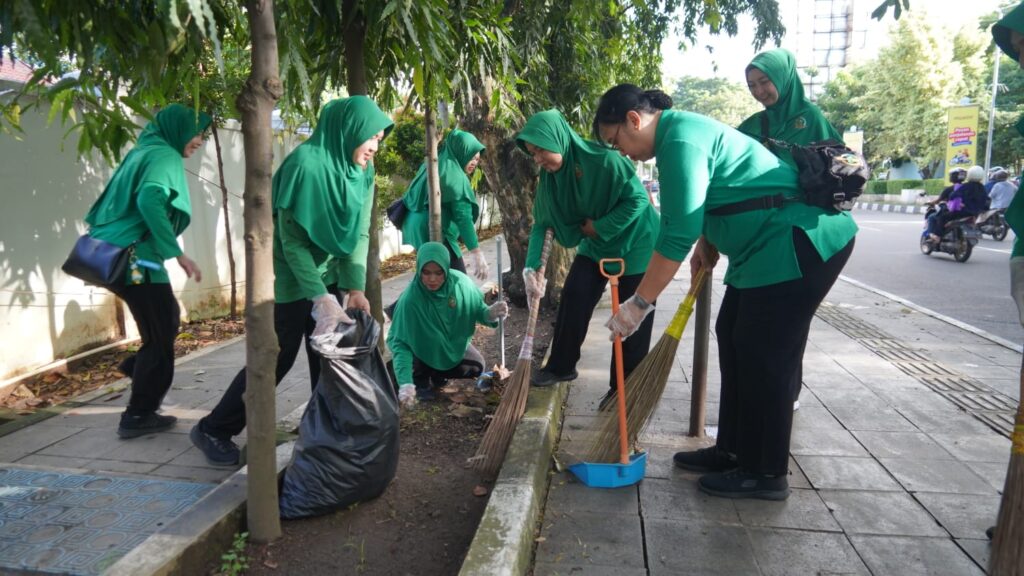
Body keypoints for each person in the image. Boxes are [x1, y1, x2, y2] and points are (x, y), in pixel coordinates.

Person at [592, 85, 857, 501]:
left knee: (764, 353)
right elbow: (714, 201)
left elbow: (675, 232)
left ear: (633, 120)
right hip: (766, 249)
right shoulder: (678, 136)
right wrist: (708, 241)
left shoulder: (679, 139)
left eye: (617, 141)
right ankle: (734, 449)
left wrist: (639, 303)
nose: (621, 151)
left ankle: (765, 473)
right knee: (734, 334)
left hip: (799, 240)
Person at [190, 96, 393, 466]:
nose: (375, 147)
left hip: (328, 275)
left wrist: (354, 289)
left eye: (380, 139)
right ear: (348, 131)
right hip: (288, 277)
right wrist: (320, 298)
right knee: (276, 359)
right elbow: (292, 244)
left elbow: (358, 234)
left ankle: (323, 432)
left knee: (328, 357)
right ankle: (213, 428)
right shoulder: (305, 166)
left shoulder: (362, 171)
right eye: (371, 138)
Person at [82, 104, 209, 439]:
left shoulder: (144, 150)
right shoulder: (164, 155)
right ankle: (138, 414)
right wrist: (176, 253)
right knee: (160, 336)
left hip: (117, 255)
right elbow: (150, 199)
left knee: (163, 324)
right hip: (139, 260)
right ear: (179, 128)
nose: (199, 141)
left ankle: (136, 370)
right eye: (197, 133)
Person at [515, 110, 659, 402]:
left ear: (557, 139)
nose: (538, 159)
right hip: (596, 244)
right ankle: (561, 366)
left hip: (637, 242)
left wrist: (599, 226)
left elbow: (638, 200)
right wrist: (531, 268)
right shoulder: (551, 179)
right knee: (575, 295)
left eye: (541, 149)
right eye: (533, 153)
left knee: (631, 321)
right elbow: (542, 223)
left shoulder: (605, 160)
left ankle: (624, 390)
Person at [387, 242, 508, 405]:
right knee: (421, 353)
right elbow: (399, 342)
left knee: (477, 366)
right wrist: (405, 382)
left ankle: (438, 373)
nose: (432, 279)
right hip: (423, 350)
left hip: (448, 345)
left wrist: (490, 314)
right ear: (418, 270)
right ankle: (419, 380)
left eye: (438, 273)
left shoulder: (461, 284)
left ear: (446, 268)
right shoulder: (410, 300)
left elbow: (478, 309)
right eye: (426, 272)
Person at [400, 130, 489, 279]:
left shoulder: (436, 162)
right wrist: (476, 252)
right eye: (471, 157)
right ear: (461, 152)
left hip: (415, 227)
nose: (474, 162)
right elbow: (463, 218)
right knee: (457, 281)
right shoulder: (455, 176)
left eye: (477, 159)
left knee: (430, 281)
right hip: (433, 230)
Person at [737, 48, 843, 168]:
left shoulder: (811, 117)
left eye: (764, 81)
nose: (759, 91)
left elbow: (835, 167)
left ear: (783, 79)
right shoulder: (751, 125)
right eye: (752, 85)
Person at [925, 165, 988, 244]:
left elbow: (953, 196)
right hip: (975, 213)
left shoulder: (965, 186)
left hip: (962, 212)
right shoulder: (982, 187)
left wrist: (958, 202)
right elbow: (986, 200)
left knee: (942, 217)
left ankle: (937, 236)